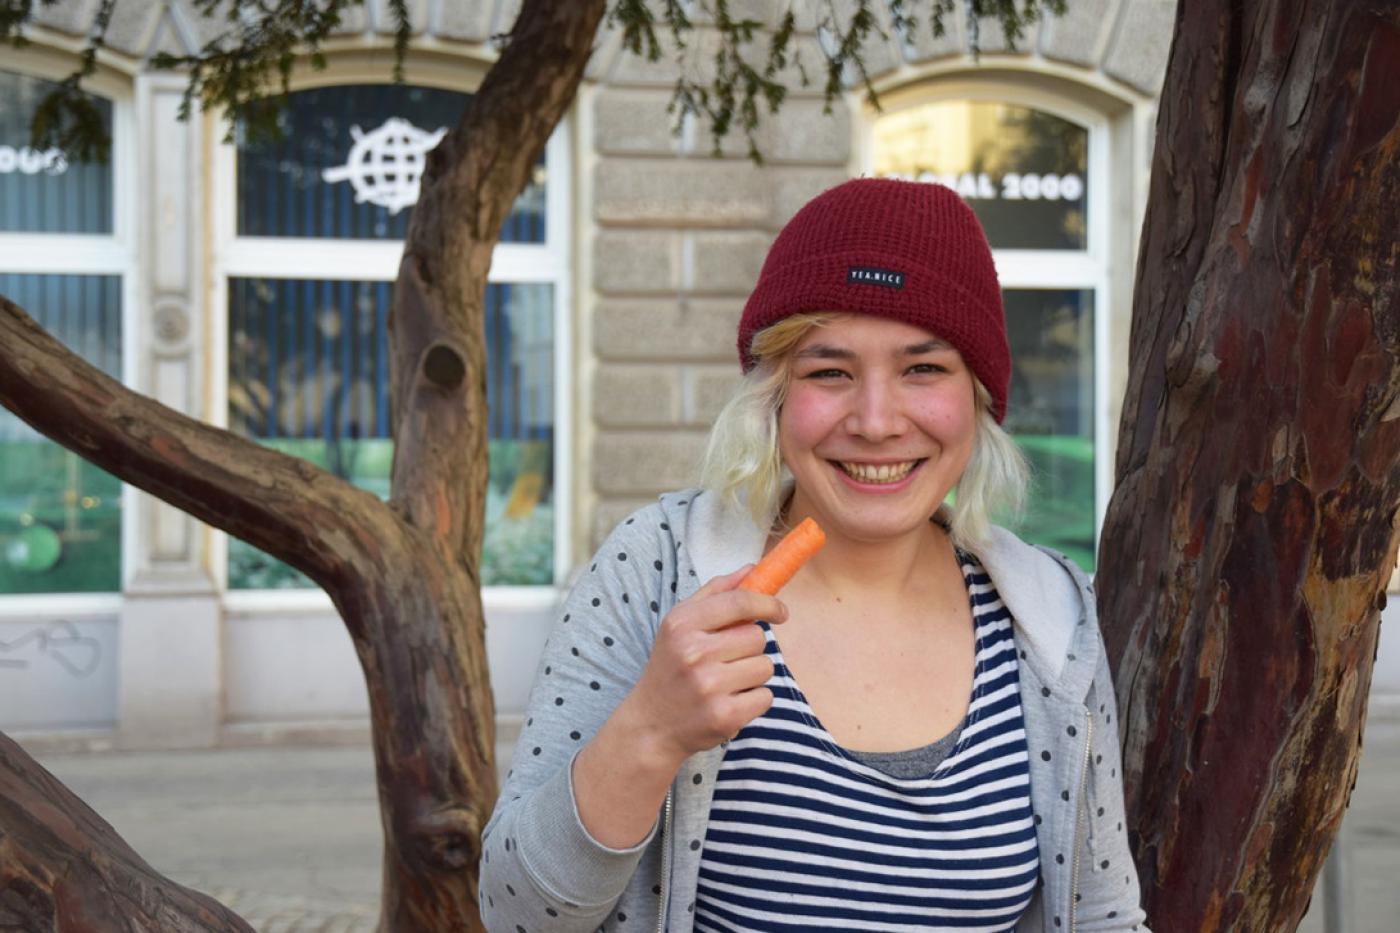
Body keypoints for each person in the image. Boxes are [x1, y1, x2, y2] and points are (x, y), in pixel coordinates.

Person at [480, 178, 1149, 933]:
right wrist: (651, 730)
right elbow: (515, 915)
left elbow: (1105, 917)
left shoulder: (1049, 616)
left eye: (923, 369)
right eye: (829, 371)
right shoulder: (659, 568)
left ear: (977, 396)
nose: (875, 421)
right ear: (773, 395)